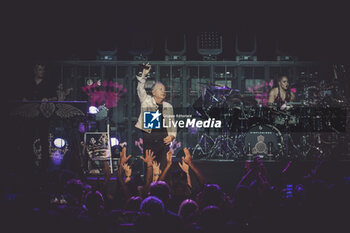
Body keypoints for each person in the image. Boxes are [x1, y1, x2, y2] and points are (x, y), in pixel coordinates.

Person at [135, 63, 177, 171]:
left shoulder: (168, 106)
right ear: (153, 92)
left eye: (164, 90)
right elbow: (140, 88)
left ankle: (162, 187)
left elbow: (172, 124)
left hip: (163, 140)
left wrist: (172, 136)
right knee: (151, 168)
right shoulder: (146, 101)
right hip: (150, 138)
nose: (163, 91)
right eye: (160, 89)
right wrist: (144, 75)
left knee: (163, 168)